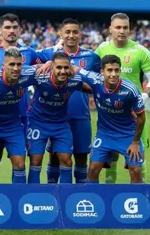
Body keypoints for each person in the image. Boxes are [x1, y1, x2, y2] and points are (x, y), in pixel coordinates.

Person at [0, 13, 41, 184]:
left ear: (19, 30)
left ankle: (17, 200)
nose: (11, 31)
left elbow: (42, 71)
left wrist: (47, 64)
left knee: (19, 162)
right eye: (7, 27)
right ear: (0, 30)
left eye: (14, 27)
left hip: (19, 116)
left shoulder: (28, 52)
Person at [95, 13, 150, 183]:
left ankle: (140, 196)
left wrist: (144, 97)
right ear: (110, 29)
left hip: (134, 114)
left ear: (129, 30)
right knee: (111, 159)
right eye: (118, 27)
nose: (121, 31)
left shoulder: (140, 51)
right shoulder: (101, 49)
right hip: (110, 113)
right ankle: (110, 193)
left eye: (125, 27)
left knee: (138, 158)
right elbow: (93, 75)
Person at [36, 18, 101, 184]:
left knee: (81, 158)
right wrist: (50, 61)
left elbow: (98, 83)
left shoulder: (91, 57)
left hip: (80, 115)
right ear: (61, 34)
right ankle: (53, 193)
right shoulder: (46, 54)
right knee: (55, 157)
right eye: (67, 32)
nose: (71, 35)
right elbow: (24, 63)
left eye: (74, 32)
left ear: (79, 34)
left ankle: (78, 196)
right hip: (55, 118)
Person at [77, 55, 145, 184]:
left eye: (116, 70)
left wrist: (135, 142)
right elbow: (74, 68)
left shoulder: (130, 90)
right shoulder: (95, 80)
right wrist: (48, 65)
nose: (113, 74)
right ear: (102, 72)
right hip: (104, 134)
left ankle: (137, 201)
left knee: (135, 170)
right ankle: (93, 199)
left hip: (127, 135)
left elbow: (141, 117)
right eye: (109, 70)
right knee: (93, 169)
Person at [27, 52, 92, 184]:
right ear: (52, 68)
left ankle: (65, 197)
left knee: (67, 161)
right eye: (59, 68)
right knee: (35, 160)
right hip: (38, 123)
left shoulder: (74, 81)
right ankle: (32, 196)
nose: (63, 71)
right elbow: (18, 75)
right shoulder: (40, 77)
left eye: (66, 68)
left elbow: (92, 89)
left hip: (61, 124)